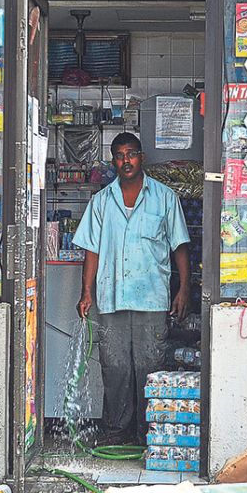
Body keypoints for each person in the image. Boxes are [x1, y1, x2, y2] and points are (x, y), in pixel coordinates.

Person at [73, 132, 191, 445]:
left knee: (150, 367)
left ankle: (149, 434)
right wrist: (87, 292)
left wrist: (184, 289)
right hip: (111, 298)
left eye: (132, 154)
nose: (126, 161)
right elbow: (91, 250)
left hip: (152, 297)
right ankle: (116, 434)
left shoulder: (165, 197)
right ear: (114, 161)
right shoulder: (101, 201)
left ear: (142, 157)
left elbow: (180, 246)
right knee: (115, 368)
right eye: (120, 155)